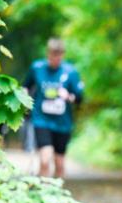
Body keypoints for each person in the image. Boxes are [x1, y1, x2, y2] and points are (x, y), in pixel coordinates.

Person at [24, 38, 85, 179]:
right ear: (48, 54)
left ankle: (57, 197)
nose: (55, 60)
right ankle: (44, 196)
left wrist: (68, 96)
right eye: (52, 56)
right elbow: (26, 86)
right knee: (45, 159)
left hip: (62, 123)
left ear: (63, 55)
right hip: (41, 120)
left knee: (59, 163)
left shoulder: (71, 72)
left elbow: (79, 98)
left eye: (58, 57)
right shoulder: (37, 68)